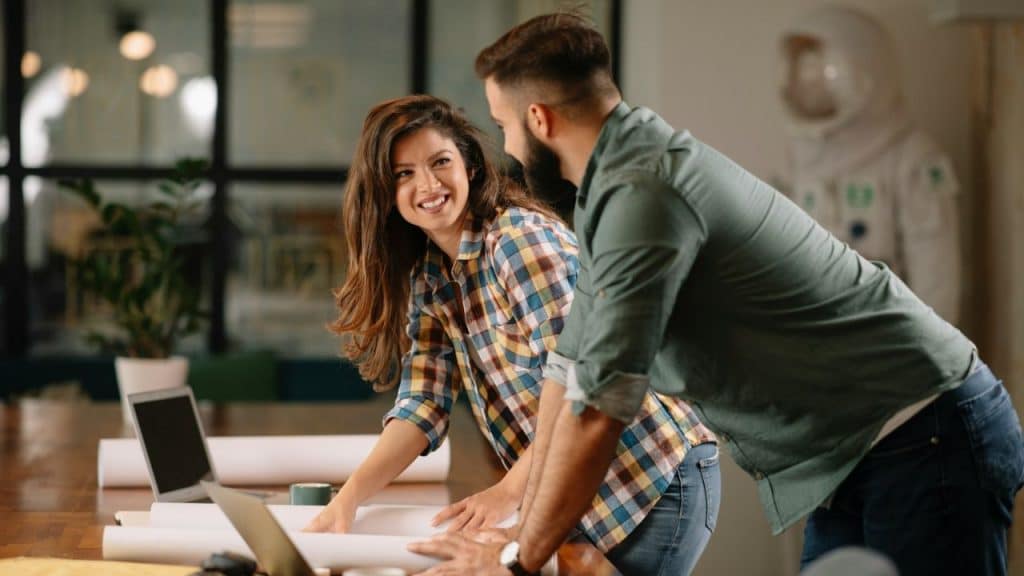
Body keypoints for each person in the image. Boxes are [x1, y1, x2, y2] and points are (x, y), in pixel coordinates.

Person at [407, 11, 1024, 576]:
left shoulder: (644, 196)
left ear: (539, 119)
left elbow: (599, 413)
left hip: (924, 432)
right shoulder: (612, 187)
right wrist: (519, 532)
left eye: (504, 126)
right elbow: (567, 375)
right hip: (867, 448)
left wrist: (518, 562)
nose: (508, 148)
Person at [303, 95, 719, 575]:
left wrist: (508, 492)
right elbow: (422, 404)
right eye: (404, 173)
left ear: (471, 168)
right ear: (384, 192)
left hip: (650, 479)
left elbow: (581, 390)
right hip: (577, 485)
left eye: (441, 162)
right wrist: (348, 500)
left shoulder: (518, 243)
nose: (429, 184)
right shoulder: (432, 275)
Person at [780, 4, 962, 324]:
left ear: (863, 74)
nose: (809, 83)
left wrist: (923, 363)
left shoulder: (912, 158)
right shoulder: (801, 159)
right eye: (803, 69)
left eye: (820, 70)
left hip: (891, 347)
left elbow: (938, 278)